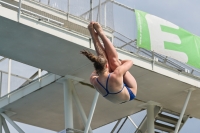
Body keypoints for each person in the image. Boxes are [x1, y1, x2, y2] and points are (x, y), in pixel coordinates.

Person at [81, 22, 137, 104]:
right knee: (115, 62)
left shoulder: (95, 79)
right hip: (130, 92)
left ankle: (95, 36)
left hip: (116, 94)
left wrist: (111, 62)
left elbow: (101, 63)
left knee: (113, 63)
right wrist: (119, 63)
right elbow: (130, 62)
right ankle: (99, 34)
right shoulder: (112, 75)